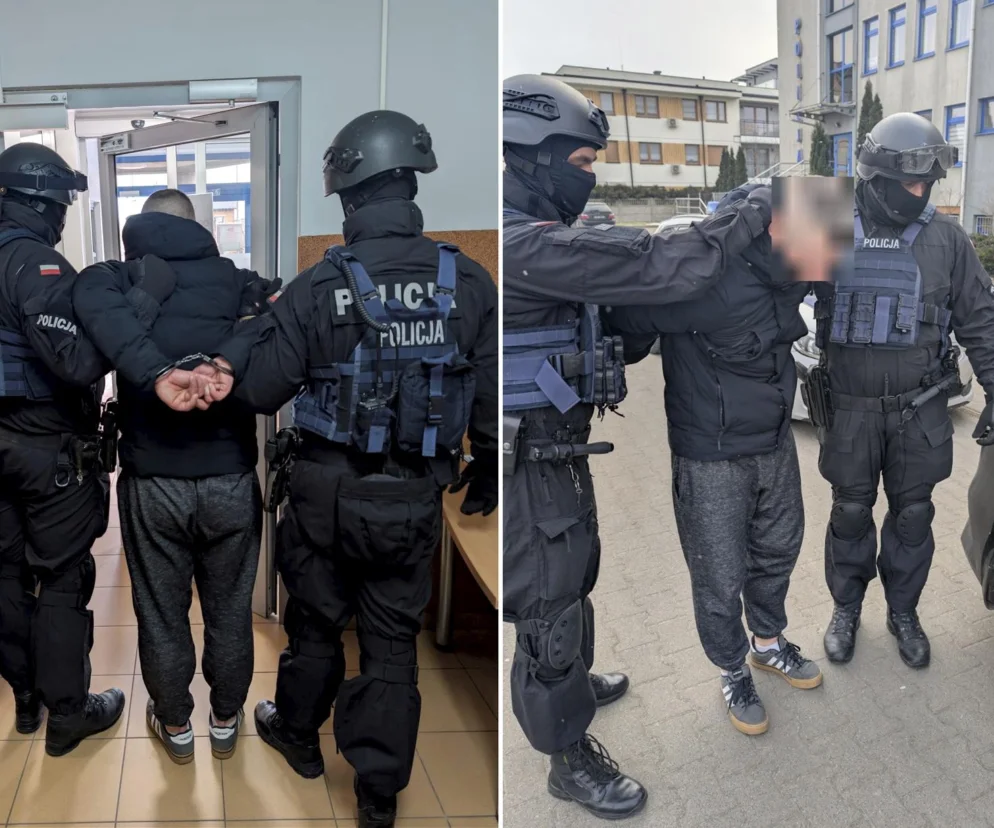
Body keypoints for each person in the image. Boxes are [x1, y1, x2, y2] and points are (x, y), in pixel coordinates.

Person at [195, 110, 498, 827]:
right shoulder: (469, 280)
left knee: (317, 621)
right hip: (414, 493)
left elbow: (261, 391)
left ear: (349, 196)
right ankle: (377, 792)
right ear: (410, 185)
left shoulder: (317, 286)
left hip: (326, 491)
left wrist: (253, 332)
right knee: (392, 641)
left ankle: (299, 737)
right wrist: (487, 463)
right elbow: (489, 390)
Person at [501, 74, 771, 820]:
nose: (589, 178)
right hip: (528, 457)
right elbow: (658, 260)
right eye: (582, 163)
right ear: (533, 155)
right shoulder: (522, 241)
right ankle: (566, 758)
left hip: (558, 448)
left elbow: (619, 320)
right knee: (548, 604)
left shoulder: (541, 236)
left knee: (574, 576)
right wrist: (749, 210)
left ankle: (574, 684)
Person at [0, 143, 199, 753]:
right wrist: (141, 299)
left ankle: (26, 697)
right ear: (44, 203)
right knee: (61, 576)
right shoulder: (34, 263)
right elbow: (78, 362)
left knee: (6, 573)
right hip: (44, 448)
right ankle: (67, 713)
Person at [604, 184, 821, 738]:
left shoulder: (797, 263)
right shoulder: (696, 269)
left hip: (775, 442)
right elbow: (626, 327)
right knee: (719, 573)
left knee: (778, 550)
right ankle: (731, 669)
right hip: (711, 453)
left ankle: (766, 644)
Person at [71, 188, 279, 763]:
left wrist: (156, 370)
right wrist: (228, 353)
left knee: (161, 614)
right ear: (198, 226)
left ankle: (176, 725)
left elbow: (89, 298)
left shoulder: (118, 280)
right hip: (230, 478)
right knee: (230, 610)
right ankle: (225, 719)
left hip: (153, 482)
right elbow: (280, 316)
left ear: (139, 228)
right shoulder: (237, 281)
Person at [814, 113, 994, 669]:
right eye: (910, 183)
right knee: (849, 512)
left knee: (914, 515)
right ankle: (846, 609)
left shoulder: (948, 238)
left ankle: (903, 611)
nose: (921, 194)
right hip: (848, 409)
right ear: (874, 176)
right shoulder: (823, 215)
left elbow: (981, 322)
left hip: (921, 410)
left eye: (928, 184)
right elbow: (761, 305)